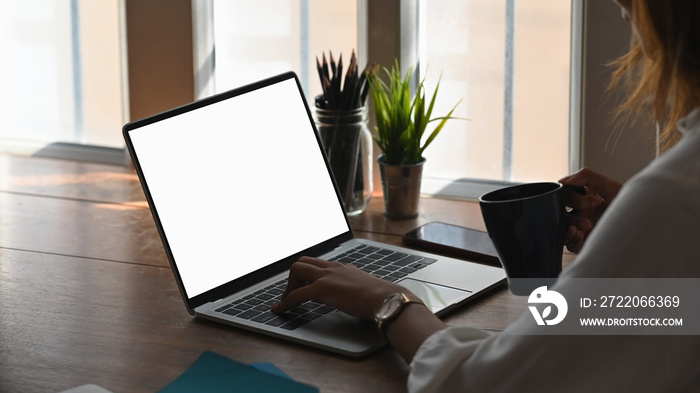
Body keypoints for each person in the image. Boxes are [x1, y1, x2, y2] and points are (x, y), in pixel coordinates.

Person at [272, 0, 700, 391]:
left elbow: (480, 385)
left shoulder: (676, 195)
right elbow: (680, 313)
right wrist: (631, 244)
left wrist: (390, 302)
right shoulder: (674, 196)